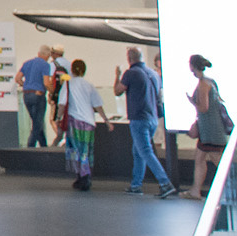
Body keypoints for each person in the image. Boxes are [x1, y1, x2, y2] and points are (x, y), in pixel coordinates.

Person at [115, 45, 180, 198]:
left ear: (129, 58)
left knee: (145, 151)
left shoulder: (130, 73)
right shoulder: (153, 73)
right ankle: (136, 185)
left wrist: (117, 75)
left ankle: (165, 183)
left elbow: (118, 91)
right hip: (152, 118)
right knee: (138, 152)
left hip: (138, 118)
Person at [59, 57, 109, 189]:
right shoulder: (89, 85)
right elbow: (98, 105)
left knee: (75, 150)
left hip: (74, 121)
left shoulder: (68, 84)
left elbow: (62, 104)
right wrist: (107, 120)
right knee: (86, 150)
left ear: (72, 70)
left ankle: (81, 177)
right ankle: (85, 176)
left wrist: (58, 118)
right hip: (88, 122)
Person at [188, 54, 228, 198]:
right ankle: (195, 190)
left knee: (217, 161)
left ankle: (196, 191)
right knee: (200, 158)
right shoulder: (210, 82)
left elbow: (204, 108)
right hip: (211, 130)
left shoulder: (203, 84)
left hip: (210, 131)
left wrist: (192, 102)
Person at [18, 45, 53, 147]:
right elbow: (46, 83)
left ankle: (43, 146)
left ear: (39, 53)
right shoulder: (45, 65)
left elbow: (18, 78)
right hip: (38, 95)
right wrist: (52, 92)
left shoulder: (27, 63)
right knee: (37, 124)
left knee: (36, 121)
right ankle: (30, 147)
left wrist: (26, 86)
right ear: (47, 55)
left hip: (26, 95)